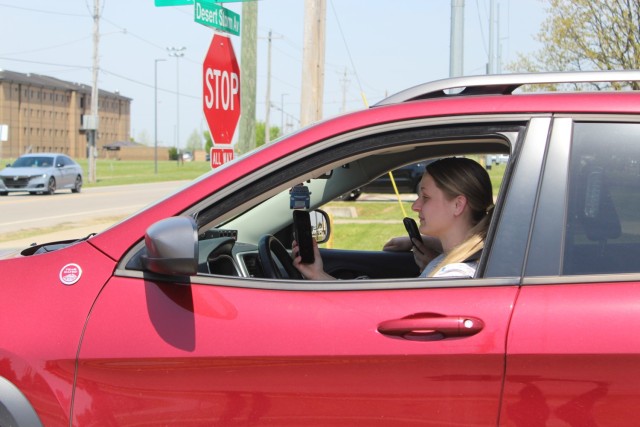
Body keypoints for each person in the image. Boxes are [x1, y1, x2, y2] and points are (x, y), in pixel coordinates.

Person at [292, 157, 494, 279]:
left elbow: (376, 317)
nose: (415, 206)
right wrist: (432, 250)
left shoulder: (455, 277)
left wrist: (319, 276)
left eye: (426, 197)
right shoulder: (459, 261)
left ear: (458, 205)